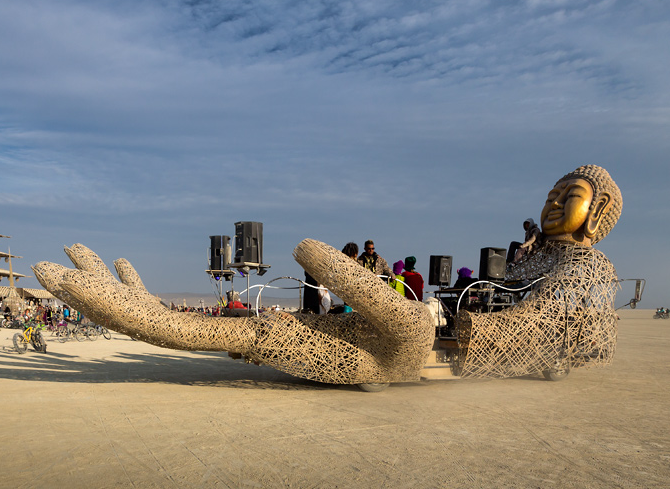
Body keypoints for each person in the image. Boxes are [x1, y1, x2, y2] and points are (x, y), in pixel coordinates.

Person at [33, 164, 623, 385]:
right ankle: (147, 314)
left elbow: (570, 330)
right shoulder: (532, 257)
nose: (551, 204)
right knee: (271, 332)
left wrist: (462, 329)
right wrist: (149, 318)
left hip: (407, 346)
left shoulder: (587, 268)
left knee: (384, 328)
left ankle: (145, 316)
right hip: (389, 342)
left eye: (567, 196)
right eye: (550, 193)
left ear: (596, 212)